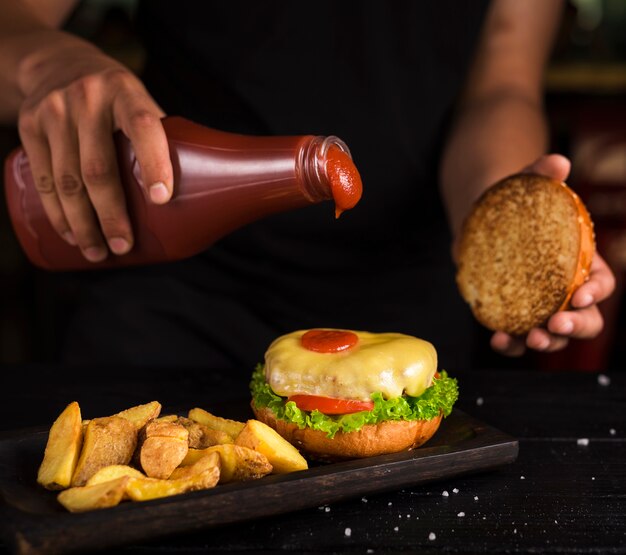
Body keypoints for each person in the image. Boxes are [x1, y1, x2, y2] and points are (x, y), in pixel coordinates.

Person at [0, 0, 616, 373]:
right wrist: (44, 61)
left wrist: (495, 217)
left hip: (404, 314)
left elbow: (501, 85)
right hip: (172, 285)